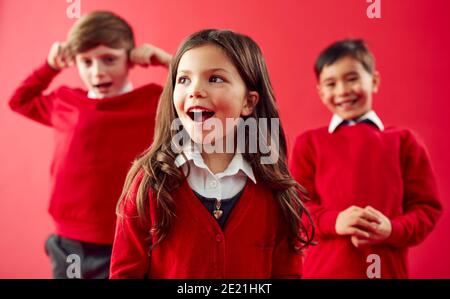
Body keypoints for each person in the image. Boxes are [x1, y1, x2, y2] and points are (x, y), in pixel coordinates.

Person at [109, 29, 314, 279]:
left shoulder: (275, 192)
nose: (195, 90)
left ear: (248, 103)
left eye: (215, 79)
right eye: (184, 80)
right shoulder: (149, 182)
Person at [8, 11, 171, 278]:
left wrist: (168, 62)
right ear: (75, 63)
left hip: (129, 238)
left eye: (109, 59)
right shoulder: (65, 101)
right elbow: (19, 100)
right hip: (69, 242)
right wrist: (50, 66)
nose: (98, 72)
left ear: (130, 58)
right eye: (86, 62)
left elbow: (194, 103)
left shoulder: (153, 102)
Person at [289, 39, 442, 278]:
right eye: (331, 83)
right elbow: (294, 209)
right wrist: (334, 221)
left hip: (387, 272)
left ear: (374, 81)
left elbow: (427, 208)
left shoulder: (404, 141)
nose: (342, 91)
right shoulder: (308, 143)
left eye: (352, 79)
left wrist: (393, 229)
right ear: (320, 91)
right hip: (323, 272)